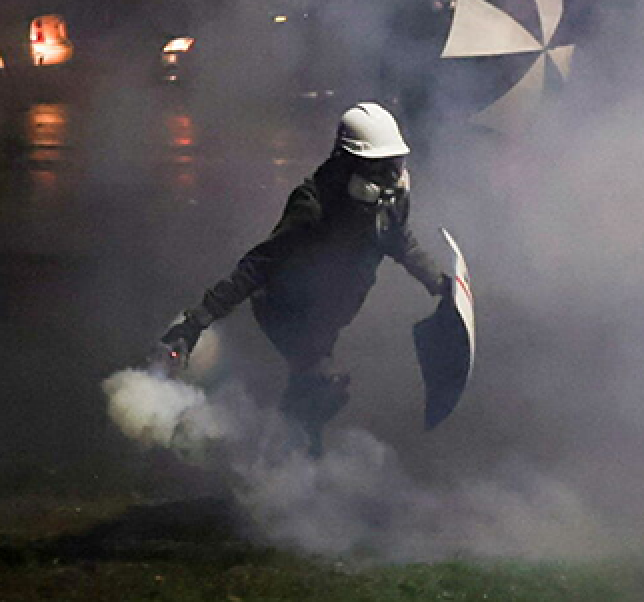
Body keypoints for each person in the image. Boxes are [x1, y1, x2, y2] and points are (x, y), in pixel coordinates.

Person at [155, 103, 449, 456]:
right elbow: (259, 265)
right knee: (322, 383)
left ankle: (287, 463)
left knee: (309, 395)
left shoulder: (387, 203)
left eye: (394, 167)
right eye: (378, 169)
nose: (390, 180)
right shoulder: (313, 208)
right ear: (347, 165)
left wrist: (437, 281)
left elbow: (400, 241)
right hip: (286, 311)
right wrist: (196, 322)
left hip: (331, 312)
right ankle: (281, 464)